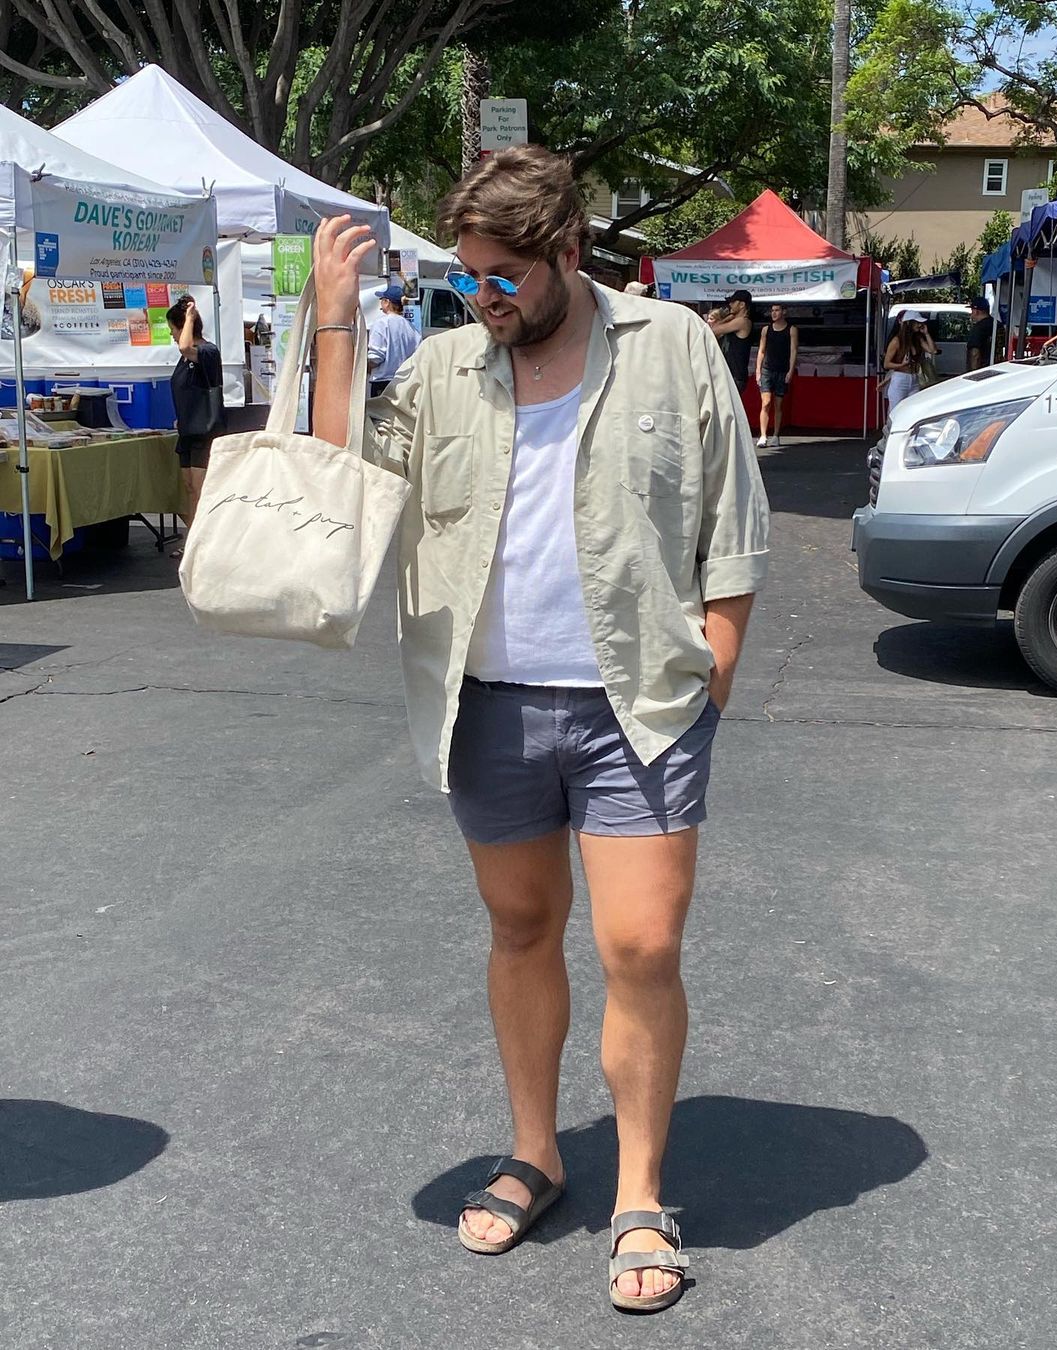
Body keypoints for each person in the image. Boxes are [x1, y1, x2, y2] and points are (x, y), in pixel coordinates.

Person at [310, 145, 769, 1314]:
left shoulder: (671, 346)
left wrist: (711, 677)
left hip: (640, 708)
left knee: (641, 947)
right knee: (521, 929)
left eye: (504, 274)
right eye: (468, 275)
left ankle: (642, 1194)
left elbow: (733, 526)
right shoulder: (446, 369)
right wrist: (336, 322)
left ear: (568, 250)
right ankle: (537, 1153)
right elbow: (339, 477)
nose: (483, 295)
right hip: (492, 706)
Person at [166, 295, 225, 542]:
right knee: (190, 488)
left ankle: (207, 541)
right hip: (188, 431)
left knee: (202, 490)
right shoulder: (184, 359)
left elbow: (185, 347)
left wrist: (189, 316)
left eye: (173, 329)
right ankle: (193, 540)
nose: (171, 334)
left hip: (205, 432)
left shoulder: (207, 352)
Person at [755, 302, 798, 448]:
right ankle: (763, 435)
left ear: (784, 312)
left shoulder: (791, 330)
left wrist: (790, 371)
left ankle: (776, 435)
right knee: (766, 402)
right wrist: (758, 370)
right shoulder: (766, 329)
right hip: (767, 370)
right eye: (772, 310)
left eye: (777, 310)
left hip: (782, 370)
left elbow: (793, 351)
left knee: (778, 404)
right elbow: (761, 351)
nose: (774, 313)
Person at [367, 283, 421, 396]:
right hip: (405, 382)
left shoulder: (381, 324)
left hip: (383, 382)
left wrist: (365, 368)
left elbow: (376, 357)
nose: (381, 303)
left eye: (382, 300)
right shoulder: (411, 328)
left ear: (387, 302)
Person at [883, 311, 939, 414]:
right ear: (909, 323)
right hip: (900, 378)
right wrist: (901, 365)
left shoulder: (917, 338)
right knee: (896, 411)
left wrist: (926, 334)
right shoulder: (896, 341)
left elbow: (933, 350)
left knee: (913, 411)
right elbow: (886, 364)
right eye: (916, 322)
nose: (919, 325)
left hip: (914, 378)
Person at [706, 289, 754, 394]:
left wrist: (728, 318)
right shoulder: (734, 321)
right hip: (729, 375)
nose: (730, 304)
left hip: (735, 376)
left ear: (742, 305)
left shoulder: (743, 321)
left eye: (733, 302)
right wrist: (728, 317)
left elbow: (713, 331)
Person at [967, 296, 994, 370]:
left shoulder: (978, 328)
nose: (971, 314)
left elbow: (975, 354)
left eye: (972, 310)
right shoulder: (997, 325)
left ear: (976, 311)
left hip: (983, 370)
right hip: (999, 367)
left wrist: (974, 372)